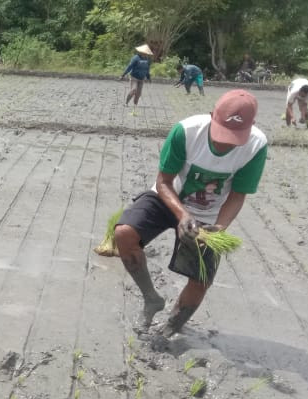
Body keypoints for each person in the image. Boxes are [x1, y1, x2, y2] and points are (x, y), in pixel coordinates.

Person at [113, 90, 268, 337]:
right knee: (124, 234)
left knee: (201, 280)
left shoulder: (256, 145)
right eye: (221, 134)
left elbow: (238, 195)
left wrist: (220, 228)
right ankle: (151, 299)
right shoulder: (187, 131)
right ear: (212, 116)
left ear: (251, 126)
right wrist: (183, 215)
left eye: (234, 137)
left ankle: (172, 326)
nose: (225, 143)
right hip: (169, 196)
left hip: (208, 213)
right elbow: (163, 182)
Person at [121, 44, 153, 109]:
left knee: (138, 93)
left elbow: (147, 69)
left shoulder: (148, 60)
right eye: (144, 53)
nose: (145, 54)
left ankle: (135, 105)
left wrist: (148, 77)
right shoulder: (136, 58)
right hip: (134, 77)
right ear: (141, 52)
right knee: (134, 90)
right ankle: (126, 103)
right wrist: (123, 75)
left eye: (146, 53)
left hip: (142, 79)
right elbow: (130, 67)